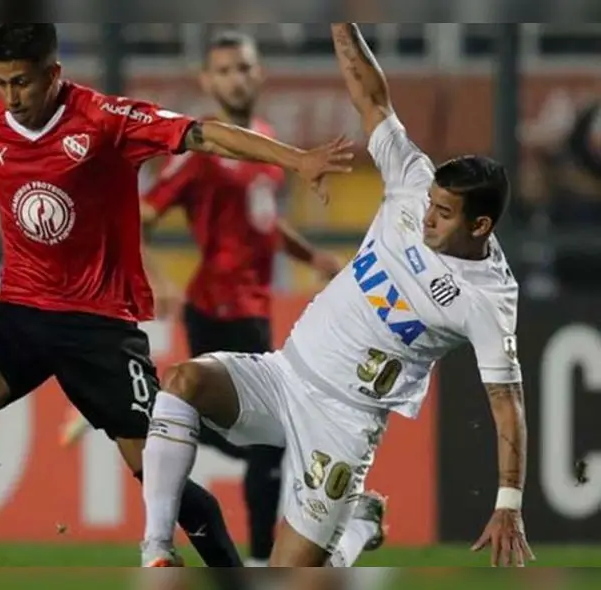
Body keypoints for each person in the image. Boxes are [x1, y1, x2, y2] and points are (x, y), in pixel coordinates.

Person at [0, 23, 353, 571]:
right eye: (1, 83)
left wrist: (296, 160)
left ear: (53, 74)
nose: (11, 97)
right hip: (21, 313)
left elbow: (205, 134)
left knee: (158, 473)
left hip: (98, 326)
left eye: (22, 83)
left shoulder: (106, 120)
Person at [138, 22, 534, 569]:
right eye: (430, 204)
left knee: (289, 577)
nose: (426, 218)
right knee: (182, 382)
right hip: (284, 375)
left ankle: (355, 530)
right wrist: (342, 27)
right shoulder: (414, 180)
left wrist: (508, 503)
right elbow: (371, 97)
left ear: (481, 225)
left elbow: (506, 405)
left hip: (343, 426)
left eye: (443, 215)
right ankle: (157, 551)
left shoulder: (487, 298)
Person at [60, 31, 343, 568]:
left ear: (259, 73)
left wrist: (311, 258)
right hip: (217, 308)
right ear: (207, 82)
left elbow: (263, 219)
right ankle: (262, 561)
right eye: (226, 70)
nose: (237, 77)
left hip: (254, 307)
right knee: (270, 442)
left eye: (244, 67)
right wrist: (160, 280)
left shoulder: (263, 138)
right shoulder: (197, 156)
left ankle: (164, 415)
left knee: (257, 436)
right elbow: (137, 219)